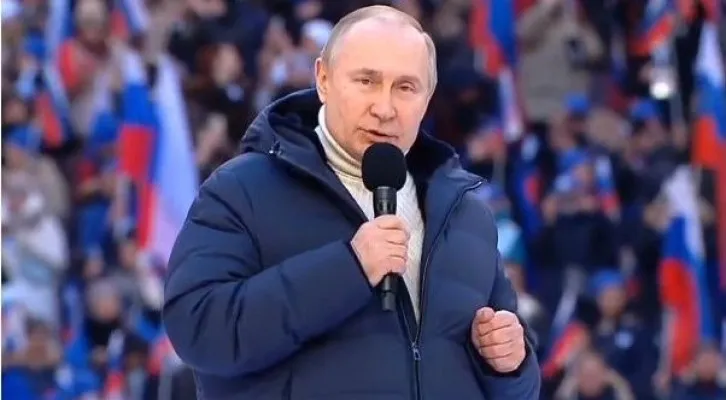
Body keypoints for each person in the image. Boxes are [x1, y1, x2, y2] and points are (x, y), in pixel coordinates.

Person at [163, 5, 541, 399]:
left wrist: (510, 365)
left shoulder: (466, 215)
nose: (384, 107)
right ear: (323, 79)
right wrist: (348, 269)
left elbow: (519, 389)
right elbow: (199, 330)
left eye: (405, 87)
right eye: (366, 81)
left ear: (426, 99)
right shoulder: (243, 189)